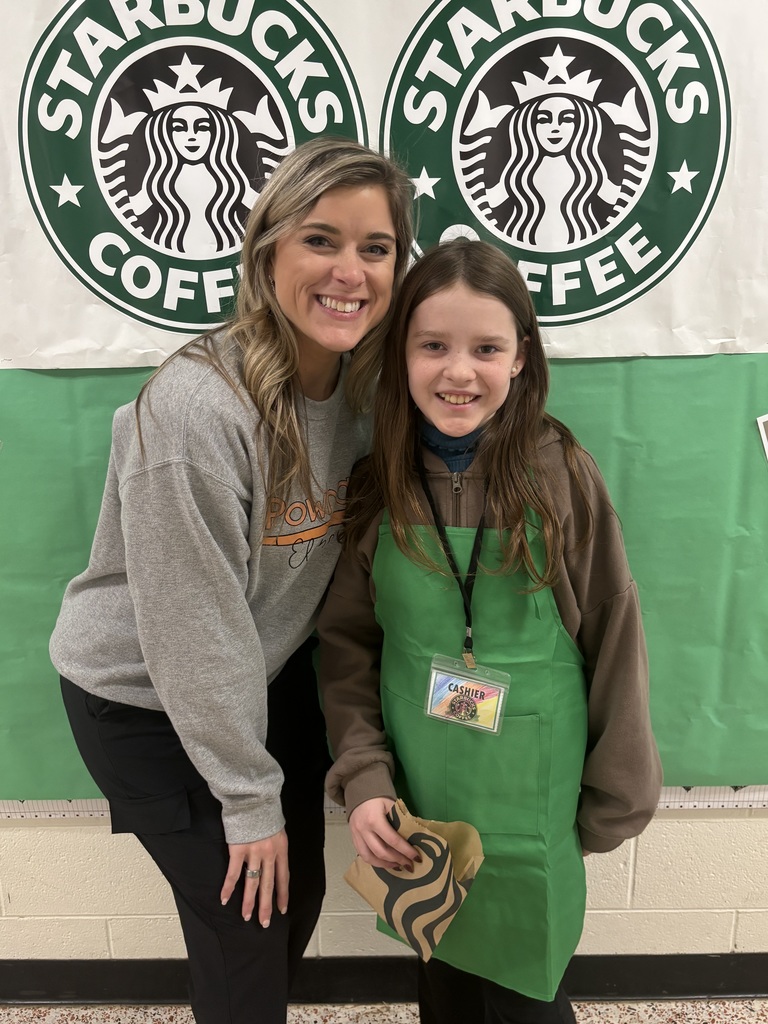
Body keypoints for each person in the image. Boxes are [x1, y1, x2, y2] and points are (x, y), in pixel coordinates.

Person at [50, 137, 414, 1024]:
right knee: (247, 926)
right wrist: (250, 803)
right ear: (267, 252)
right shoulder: (200, 411)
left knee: (294, 898)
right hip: (143, 694)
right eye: (321, 240)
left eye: (375, 248)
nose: (350, 271)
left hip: (260, 663)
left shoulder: (361, 388)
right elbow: (192, 632)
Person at [317, 238, 662, 1024]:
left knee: (525, 997)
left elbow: (615, 637)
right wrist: (366, 779)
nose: (459, 372)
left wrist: (616, 797)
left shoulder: (560, 476)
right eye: (433, 346)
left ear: (521, 357)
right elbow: (346, 649)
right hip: (421, 806)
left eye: (486, 348)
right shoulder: (379, 484)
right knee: (443, 988)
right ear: (400, 354)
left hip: (533, 807)